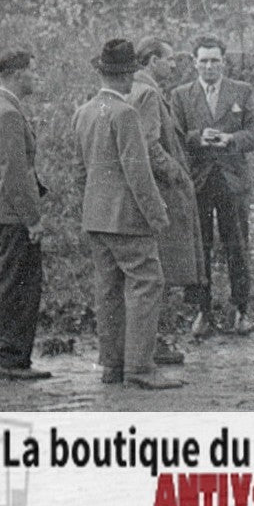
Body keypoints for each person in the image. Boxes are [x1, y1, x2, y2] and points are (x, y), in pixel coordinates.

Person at [73, 39, 181, 390]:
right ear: (130, 76)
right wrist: (157, 215)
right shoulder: (125, 114)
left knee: (108, 290)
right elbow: (138, 171)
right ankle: (139, 368)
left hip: (96, 217)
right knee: (147, 284)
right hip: (128, 220)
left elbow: (80, 170)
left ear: (103, 73)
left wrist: (90, 206)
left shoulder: (84, 111)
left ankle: (113, 365)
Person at [169, 35, 254, 338]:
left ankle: (241, 309)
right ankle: (203, 311)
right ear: (194, 62)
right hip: (198, 181)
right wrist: (198, 136)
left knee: (237, 245)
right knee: (201, 247)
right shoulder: (181, 95)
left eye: (215, 60)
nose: (210, 66)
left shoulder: (242, 92)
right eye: (204, 60)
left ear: (224, 62)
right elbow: (175, 136)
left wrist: (231, 139)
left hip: (231, 180)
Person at [0, 49, 49, 380]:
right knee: (17, 287)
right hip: (12, 213)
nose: (36, 76)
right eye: (32, 71)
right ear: (17, 75)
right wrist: (33, 218)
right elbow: (15, 172)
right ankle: (13, 360)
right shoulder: (7, 114)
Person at [130, 37, 203, 367]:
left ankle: (151, 338)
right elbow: (149, 144)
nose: (174, 65)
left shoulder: (139, 89)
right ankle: (153, 340)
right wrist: (175, 171)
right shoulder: (146, 93)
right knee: (159, 270)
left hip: (153, 190)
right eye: (168, 59)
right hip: (162, 191)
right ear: (150, 61)